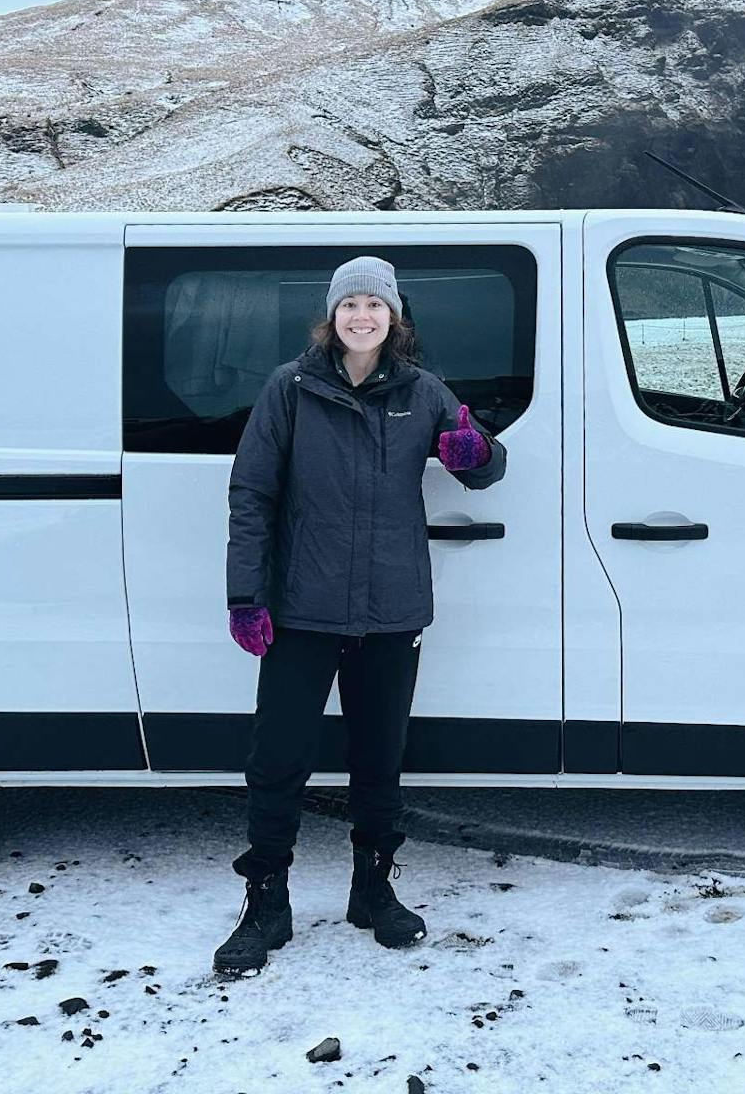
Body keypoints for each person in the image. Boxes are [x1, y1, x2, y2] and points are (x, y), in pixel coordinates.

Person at [213, 255, 507, 977]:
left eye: (376, 306)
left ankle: (374, 891)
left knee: (379, 759)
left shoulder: (422, 391)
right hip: (301, 609)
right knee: (278, 759)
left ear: (394, 317)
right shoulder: (291, 389)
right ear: (332, 315)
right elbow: (251, 494)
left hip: (390, 607)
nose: (362, 317)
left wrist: (476, 451)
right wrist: (246, 595)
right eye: (351, 306)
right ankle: (267, 901)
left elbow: (483, 465)